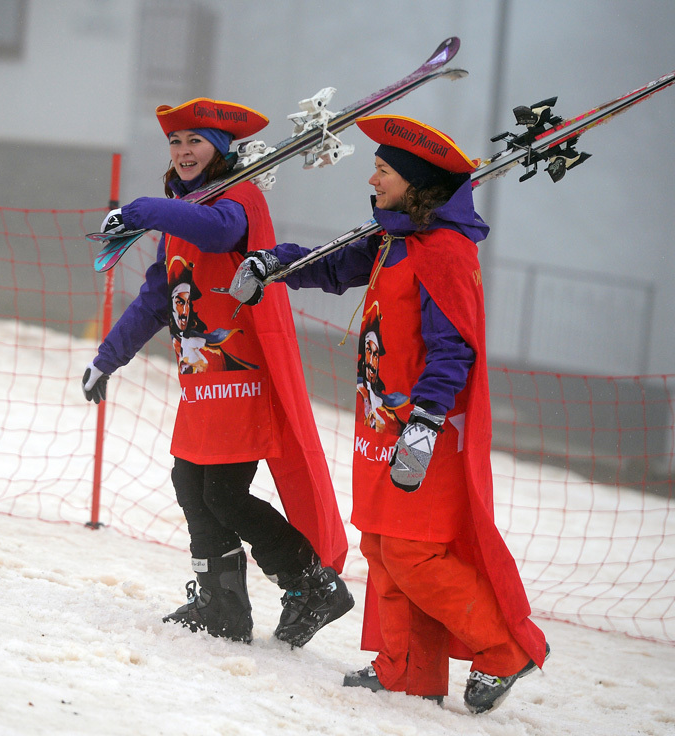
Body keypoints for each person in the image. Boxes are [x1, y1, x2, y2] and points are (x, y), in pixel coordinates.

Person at [229, 114, 549, 713]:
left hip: (423, 431)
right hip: (382, 426)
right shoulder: (396, 239)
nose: (371, 178)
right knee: (381, 544)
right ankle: (407, 670)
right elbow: (331, 264)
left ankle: (505, 649)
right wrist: (274, 264)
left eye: (382, 170)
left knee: (412, 551)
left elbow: (455, 347)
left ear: (413, 182)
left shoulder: (445, 252)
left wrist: (425, 424)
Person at [81, 97, 353, 647]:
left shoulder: (237, 200)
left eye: (195, 142)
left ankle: (310, 582)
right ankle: (221, 604)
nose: (183, 152)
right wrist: (107, 357)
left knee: (225, 495)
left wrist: (144, 208)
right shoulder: (180, 218)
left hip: (243, 376)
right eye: (176, 143)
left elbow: (218, 234)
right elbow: (159, 298)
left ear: (222, 149)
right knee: (191, 483)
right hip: (203, 382)